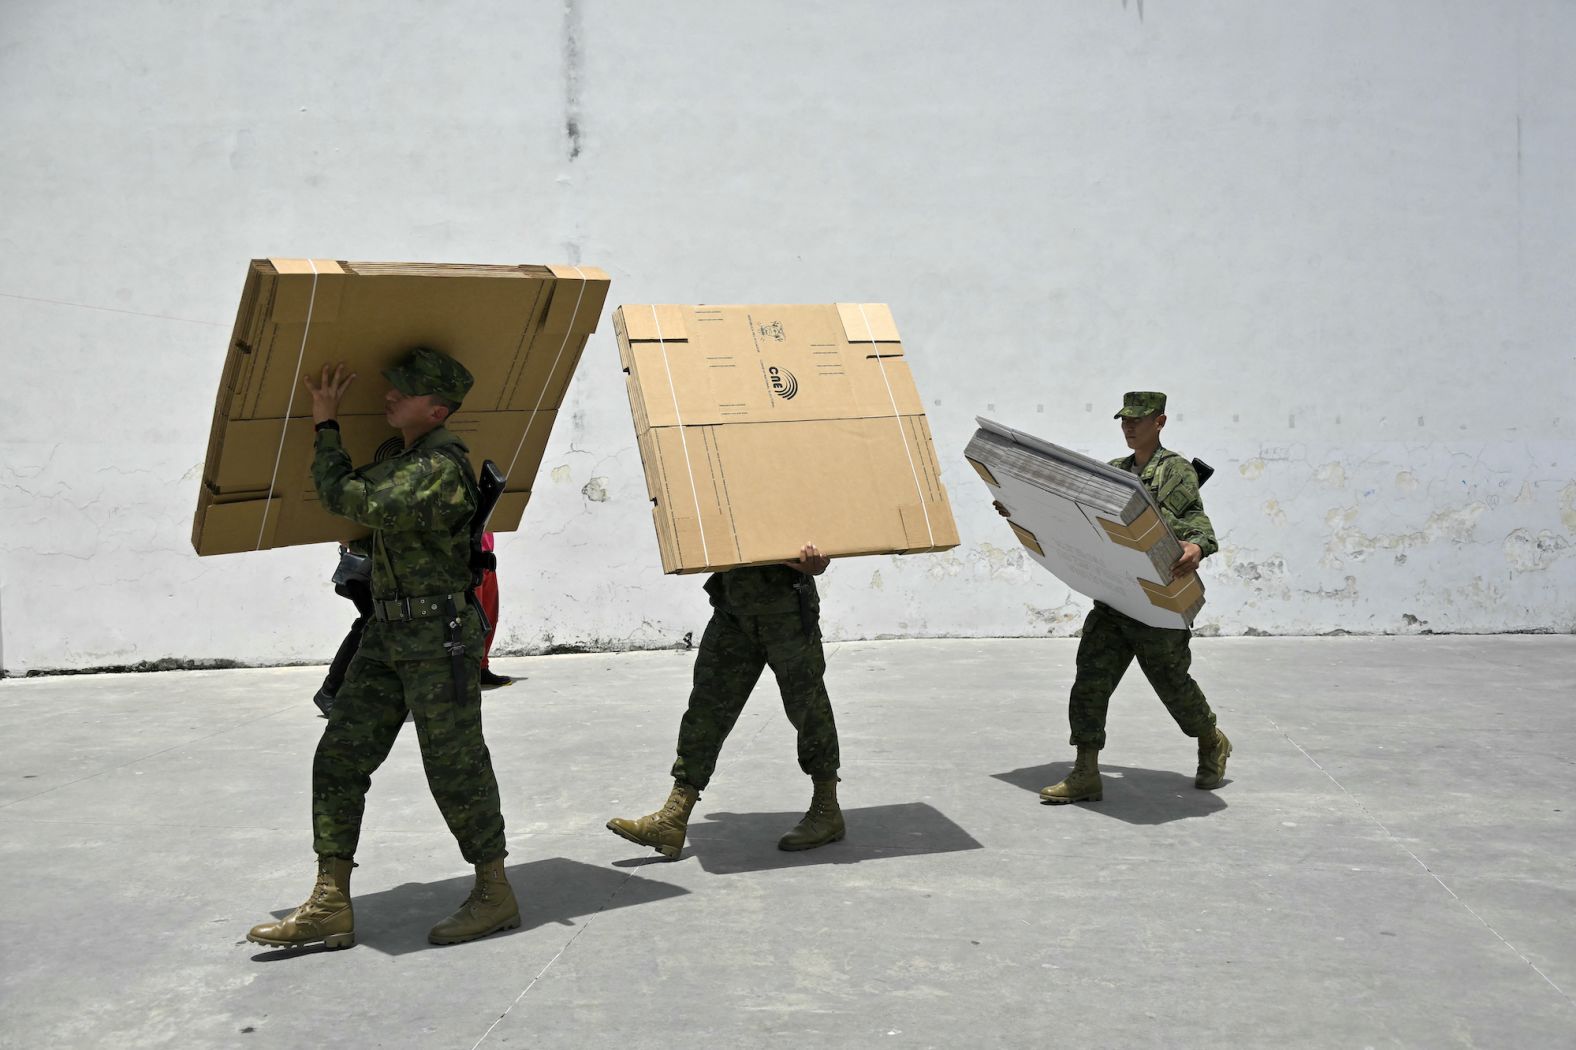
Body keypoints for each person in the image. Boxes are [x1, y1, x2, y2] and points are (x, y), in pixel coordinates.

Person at [247, 347, 517, 951]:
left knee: (456, 768)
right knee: (339, 757)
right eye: (392, 385)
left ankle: (495, 893)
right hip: (388, 632)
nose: (390, 396)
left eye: (406, 390)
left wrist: (325, 423)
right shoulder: (406, 457)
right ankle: (329, 903)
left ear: (438, 407)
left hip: (438, 637)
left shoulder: (439, 467)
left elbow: (348, 499)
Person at [996, 391, 1230, 804]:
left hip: (1157, 601)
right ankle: (1086, 771)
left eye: (1138, 420)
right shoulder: (1113, 473)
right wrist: (1019, 506)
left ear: (1159, 422)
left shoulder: (1175, 471)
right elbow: (1073, 518)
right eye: (1124, 420)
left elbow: (1197, 522)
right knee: (1090, 681)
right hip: (1115, 598)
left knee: (1173, 685)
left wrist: (1197, 546)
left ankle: (1211, 740)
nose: (1129, 426)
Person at [606, 545, 842, 859]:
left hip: (787, 612)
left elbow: (827, 531)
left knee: (809, 709)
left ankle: (827, 808)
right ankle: (674, 816)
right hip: (732, 611)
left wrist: (818, 560)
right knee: (706, 708)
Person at [312, 545, 374, 717]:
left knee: (374, 625)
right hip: (371, 570)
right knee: (370, 625)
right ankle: (329, 691)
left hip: (391, 569)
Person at [475, 531, 513, 690]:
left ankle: (482, 668)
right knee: (474, 619)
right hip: (468, 556)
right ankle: (472, 669)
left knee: (489, 616)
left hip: (486, 558)